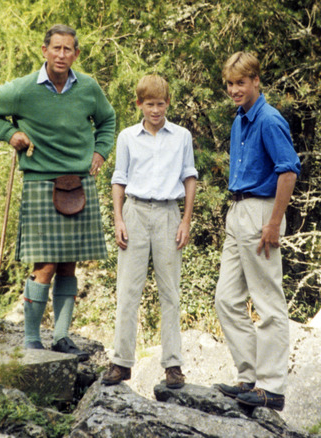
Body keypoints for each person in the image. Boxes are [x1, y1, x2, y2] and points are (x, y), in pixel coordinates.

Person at [0, 24, 116, 361]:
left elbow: (108, 119)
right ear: (44, 51)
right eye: (56, 48)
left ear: (76, 54)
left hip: (80, 182)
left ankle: (62, 337)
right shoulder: (24, 89)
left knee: (69, 265)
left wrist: (100, 152)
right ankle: (31, 340)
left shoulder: (88, 88)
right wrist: (10, 134)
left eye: (68, 49)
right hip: (41, 182)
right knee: (46, 266)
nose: (61, 55)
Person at [214, 52, 301, 411]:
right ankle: (249, 377)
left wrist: (274, 223)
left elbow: (288, 171)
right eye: (231, 84)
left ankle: (272, 387)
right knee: (226, 299)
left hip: (262, 211)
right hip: (238, 210)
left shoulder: (269, 119)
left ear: (256, 81)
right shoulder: (239, 121)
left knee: (267, 302)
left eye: (241, 83)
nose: (235, 90)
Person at [101, 75, 197, 389]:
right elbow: (119, 178)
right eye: (149, 104)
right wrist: (118, 218)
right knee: (129, 289)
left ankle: (173, 365)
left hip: (169, 213)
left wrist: (186, 220)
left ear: (168, 103)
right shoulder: (128, 136)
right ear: (139, 104)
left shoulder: (181, 136)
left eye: (160, 104)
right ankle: (121, 362)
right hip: (135, 211)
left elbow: (189, 178)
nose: (155, 110)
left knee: (170, 291)